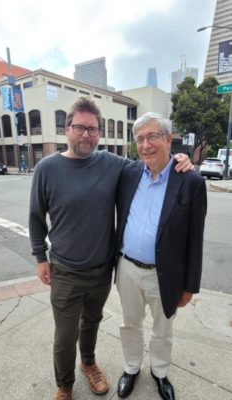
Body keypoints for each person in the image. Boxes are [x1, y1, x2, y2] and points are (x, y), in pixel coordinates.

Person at [29, 97, 192, 400]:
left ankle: (89, 363)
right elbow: (36, 217)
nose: (86, 135)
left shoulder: (112, 165)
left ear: (99, 133)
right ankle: (64, 385)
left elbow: (151, 162)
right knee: (65, 337)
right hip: (64, 270)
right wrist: (40, 258)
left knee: (91, 322)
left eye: (93, 129)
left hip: (102, 270)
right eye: (80, 128)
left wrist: (180, 158)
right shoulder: (47, 168)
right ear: (67, 129)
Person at [115, 112, 207, 400]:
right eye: (140, 139)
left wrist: (190, 285)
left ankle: (160, 372)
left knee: (163, 328)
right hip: (127, 268)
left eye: (152, 136)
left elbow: (195, 240)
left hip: (165, 273)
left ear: (169, 139)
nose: (146, 145)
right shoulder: (128, 173)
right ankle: (131, 368)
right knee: (129, 323)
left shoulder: (190, 181)